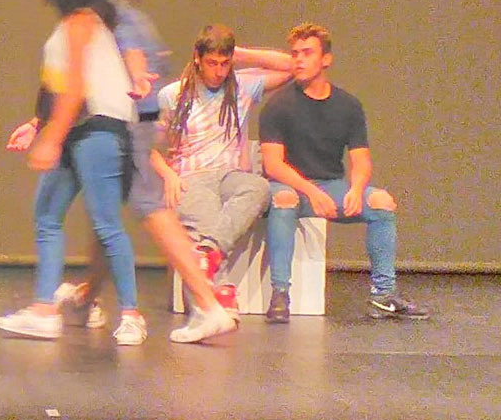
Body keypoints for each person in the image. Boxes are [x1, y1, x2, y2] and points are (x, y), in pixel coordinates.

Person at [6, 0, 172, 333]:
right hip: (79, 127)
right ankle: (44, 309)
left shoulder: (82, 22)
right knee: (47, 213)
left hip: (98, 128)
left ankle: (131, 315)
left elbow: (77, 87)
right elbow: (58, 86)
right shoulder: (81, 24)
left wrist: (51, 140)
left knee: (105, 222)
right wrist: (37, 124)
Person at [259, 22, 429, 322]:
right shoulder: (278, 106)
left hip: (331, 186)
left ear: (326, 59)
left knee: (381, 202)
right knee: (284, 199)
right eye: (295, 53)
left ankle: (383, 295)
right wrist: (311, 191)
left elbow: (361, 160)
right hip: (290, 187)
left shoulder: (348, 105)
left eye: (307, 53)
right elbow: (273, 165)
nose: (299, 59)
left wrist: (356, 188)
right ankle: (280, 293)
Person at [150, 25, 293, 312]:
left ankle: (211, 253)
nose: (218, 71)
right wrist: (168, 175)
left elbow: (290, 67)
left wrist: (240, 54)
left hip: (230, 175)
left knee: (259, 187)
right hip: (191, 177)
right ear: (197, 58)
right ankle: (221, 290)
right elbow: (145, 146)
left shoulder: (241, 86)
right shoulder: (173, 95)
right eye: (212, 63)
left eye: (224, 63)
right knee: (208, 216)